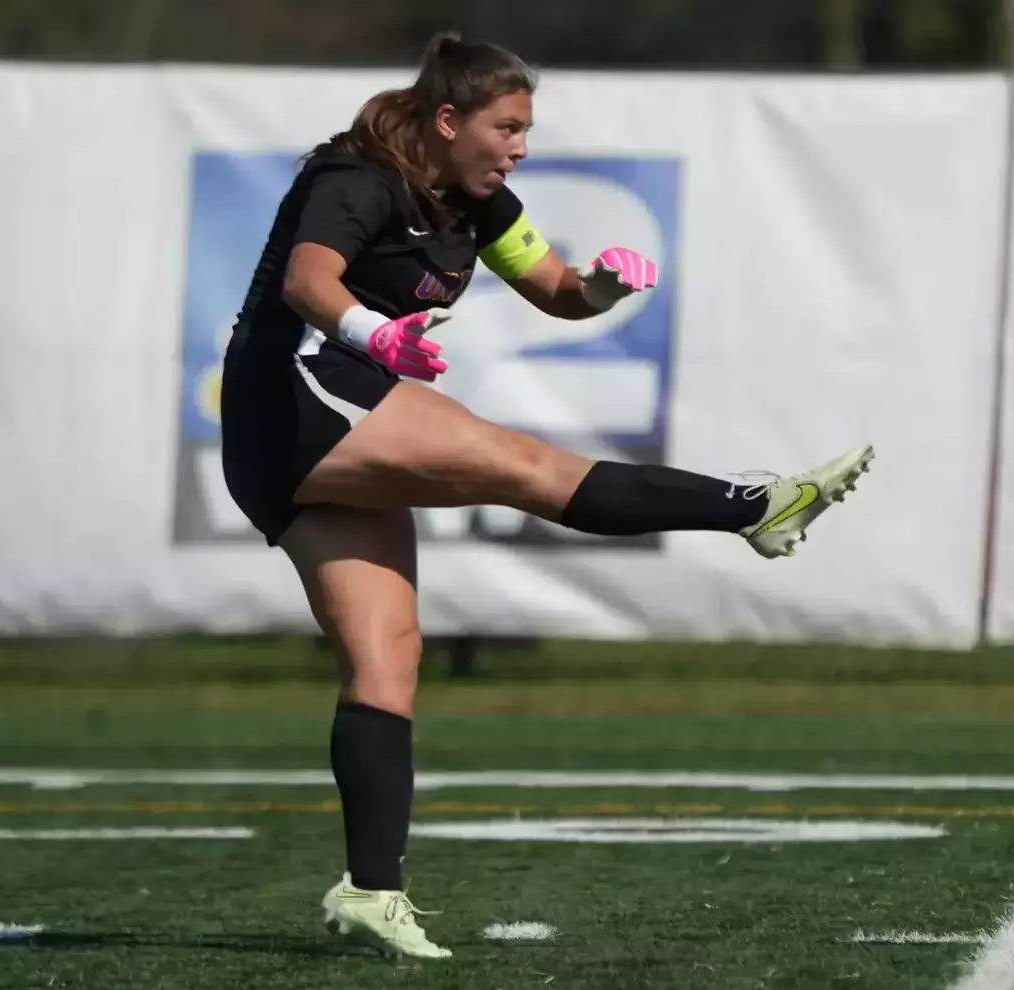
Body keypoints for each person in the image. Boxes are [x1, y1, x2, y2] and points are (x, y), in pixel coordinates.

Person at [218, 30, 873, 960]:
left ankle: (372, 890)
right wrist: (376, 333)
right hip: (292, 402)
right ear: (448, 121)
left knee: (388, 657)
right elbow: (307, 280)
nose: (520, 144)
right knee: (519, 463)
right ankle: (752, 506)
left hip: (325, 421)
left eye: (526, 128)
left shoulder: (483, 202)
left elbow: (557, 290)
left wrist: (600, 285)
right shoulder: (360, 178)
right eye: (507, 125)